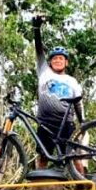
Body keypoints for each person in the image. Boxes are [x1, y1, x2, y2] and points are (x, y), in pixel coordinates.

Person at [32, 15, 84, 170]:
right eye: (54, 59)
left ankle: (83, 186)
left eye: (61, 58)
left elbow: (78, 103)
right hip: (45, 123)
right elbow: (39, 49)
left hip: (66, 124)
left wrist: (83, 123)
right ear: (49, 62)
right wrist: (36, 29)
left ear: (66, 62)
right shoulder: (44, 72)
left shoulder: (72, 81)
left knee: (74, 157)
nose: (57, 61)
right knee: (42, 157)